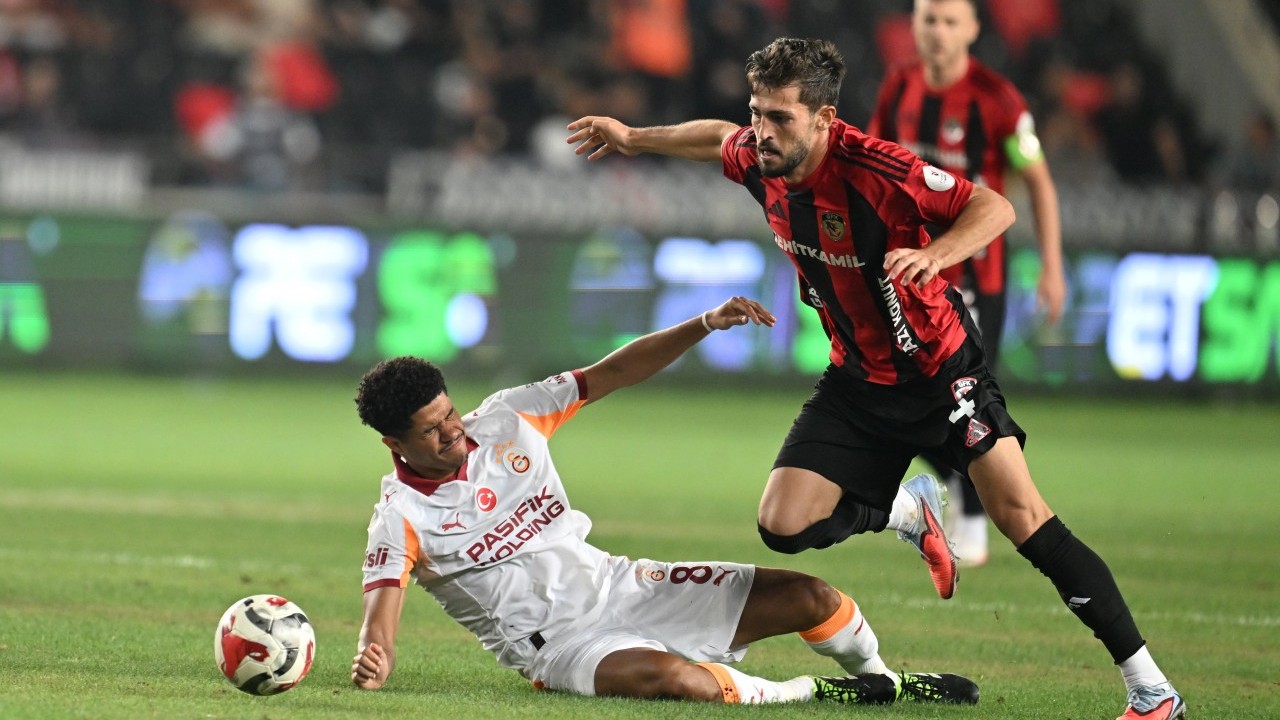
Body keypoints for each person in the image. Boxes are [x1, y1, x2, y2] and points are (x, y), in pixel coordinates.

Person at [566, 37, 1184, 720]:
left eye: (781, 119)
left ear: (826, 119)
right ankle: (904, 511)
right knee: (782, 523)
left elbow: (993, 208)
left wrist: (935, 253)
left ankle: (1152, 688)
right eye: (758, 113)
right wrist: (632, 137)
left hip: (940, 375)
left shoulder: (879, 170)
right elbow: (715, 138)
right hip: (857, 380)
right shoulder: (758, 158)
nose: (762, 133)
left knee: (1024, 520)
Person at [350, 297, 979, 706]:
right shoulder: (400, 517)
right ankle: (817, 693)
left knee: (813, 598)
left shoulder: (511, 417)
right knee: (677, 683)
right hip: (564, 646)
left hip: (625, 585)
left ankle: (885, 681)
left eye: (450, 414)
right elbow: (381, 618)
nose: (452, 431)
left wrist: (702, 324)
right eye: (431, 431)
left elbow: (613, 372)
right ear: (392, 442)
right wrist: (374, 656)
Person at [866, 0, 1066, 568]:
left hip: (978, 278)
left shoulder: (999, 101)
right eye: (929, 19)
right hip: (906, 274)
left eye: (951, 21)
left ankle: (972, 512)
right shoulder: (898, 89)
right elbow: (871, 167)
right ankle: (955, 490)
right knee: (893, 395)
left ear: (974, 29)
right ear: (913, 25)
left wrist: (1052, 264)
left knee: (964, 398)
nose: (938, 31)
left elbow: (1038, 182)